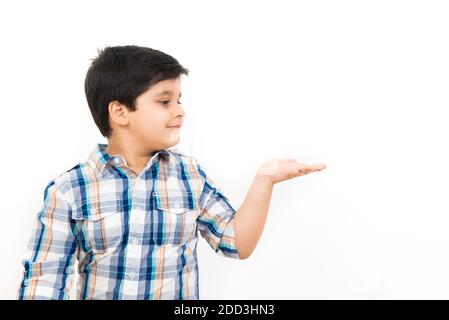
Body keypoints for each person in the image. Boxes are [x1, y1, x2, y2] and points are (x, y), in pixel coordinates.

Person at [17, 45, 326, 300]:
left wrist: (265, 180)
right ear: (120, 112)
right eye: (164, 101)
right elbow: (44, 282)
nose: (180, 110)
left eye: (178, 100)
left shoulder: (188, 176)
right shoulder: (71, 189)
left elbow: (236, 242)